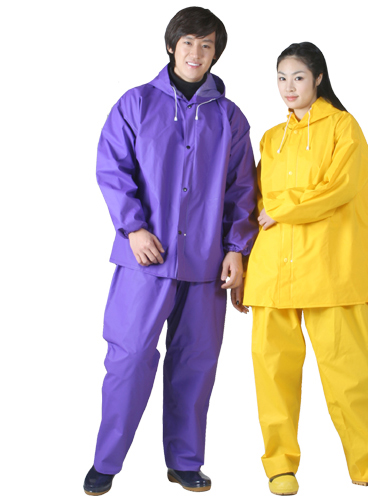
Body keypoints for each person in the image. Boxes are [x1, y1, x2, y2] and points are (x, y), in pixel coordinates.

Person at [83, 7, 258, 496]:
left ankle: (184, 461)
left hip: (205, 265)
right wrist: (133, 228)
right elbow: (112, 168)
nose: (196, 53)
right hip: (146, 260)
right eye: (188, 43)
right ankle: (106, 461)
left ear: (216, 53)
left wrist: (236, 249)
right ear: (171, 46)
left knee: (195, 365)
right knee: (129, 359)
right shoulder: (136, 103)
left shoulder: (229, 117)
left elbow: (242, 189)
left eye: (206, 45)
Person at [241, 42, 368, 495]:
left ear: (318, 77)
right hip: (272, 272)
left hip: (329, 268)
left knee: (352, 372)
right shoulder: (271, 139)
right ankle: (279, 466)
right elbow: (253, 201)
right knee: (273, 374)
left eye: (298, 77)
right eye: (281, 78)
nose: (288, 87)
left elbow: (339, 188)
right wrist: (242, 260)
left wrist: (282, 209)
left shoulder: (343, 127)